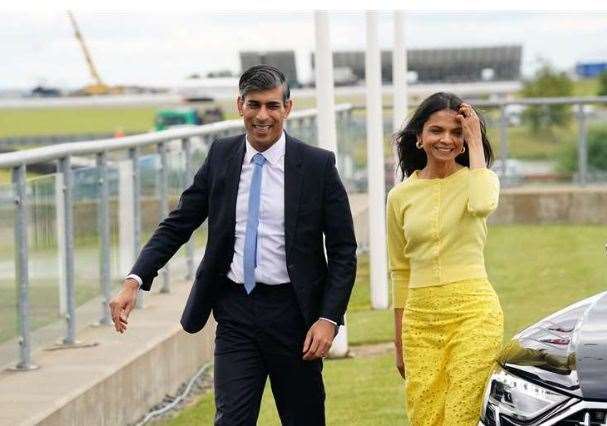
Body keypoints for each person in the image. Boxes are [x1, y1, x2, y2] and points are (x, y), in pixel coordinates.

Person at [109, 65, 357, 426]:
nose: (262, 115)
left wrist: (329, 318)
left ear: (288, 108)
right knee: (231, 420)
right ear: (239, 105)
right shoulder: (221, 156)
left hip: (296, 316)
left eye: (272, 106)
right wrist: (134, 280)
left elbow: (343, 250)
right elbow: (179, 223)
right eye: (253, 104)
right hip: (236, 312)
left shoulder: (317, 165)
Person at [387, 92, 504, 425]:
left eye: (456, 132)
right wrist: (399, 341)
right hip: (420, 322)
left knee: (461, 414)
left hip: (473, 314)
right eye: (436, 131)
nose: (446, 139)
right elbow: (400, 269)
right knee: (427, 417)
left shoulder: (479, 181)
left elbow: (482, 205)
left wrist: (476, 141)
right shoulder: (399, 197)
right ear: (419, 137)